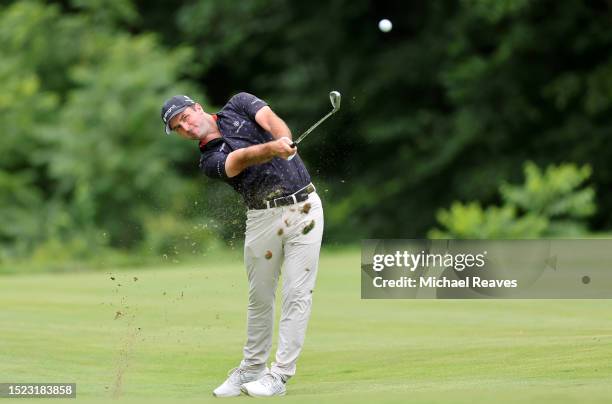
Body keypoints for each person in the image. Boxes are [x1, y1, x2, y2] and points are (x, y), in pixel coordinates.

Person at [160, 93, 324, 397]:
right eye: (177, 127)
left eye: (184, 117)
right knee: (259, 297)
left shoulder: (239, 104)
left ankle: (279, 376)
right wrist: (271, 149)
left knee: (296, 293)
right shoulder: (208, 160)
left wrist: (283, 138)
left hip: (305, 209)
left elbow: (270, 119)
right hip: (262, 218)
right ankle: (252, 368)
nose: (185, 127)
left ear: (197, 107)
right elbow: (240, 159)